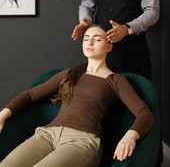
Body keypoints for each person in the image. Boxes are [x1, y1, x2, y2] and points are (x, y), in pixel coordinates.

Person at [0, 25, 154, 167]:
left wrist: (130, 136)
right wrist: (2, 115)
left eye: (97, 39)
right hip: (47, 134)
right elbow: (30, 95)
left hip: (81, 141)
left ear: (109, 46)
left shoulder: (115, 80)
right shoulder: (71, 73)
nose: (90, 42)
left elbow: (145, 113)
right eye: (86, 38)